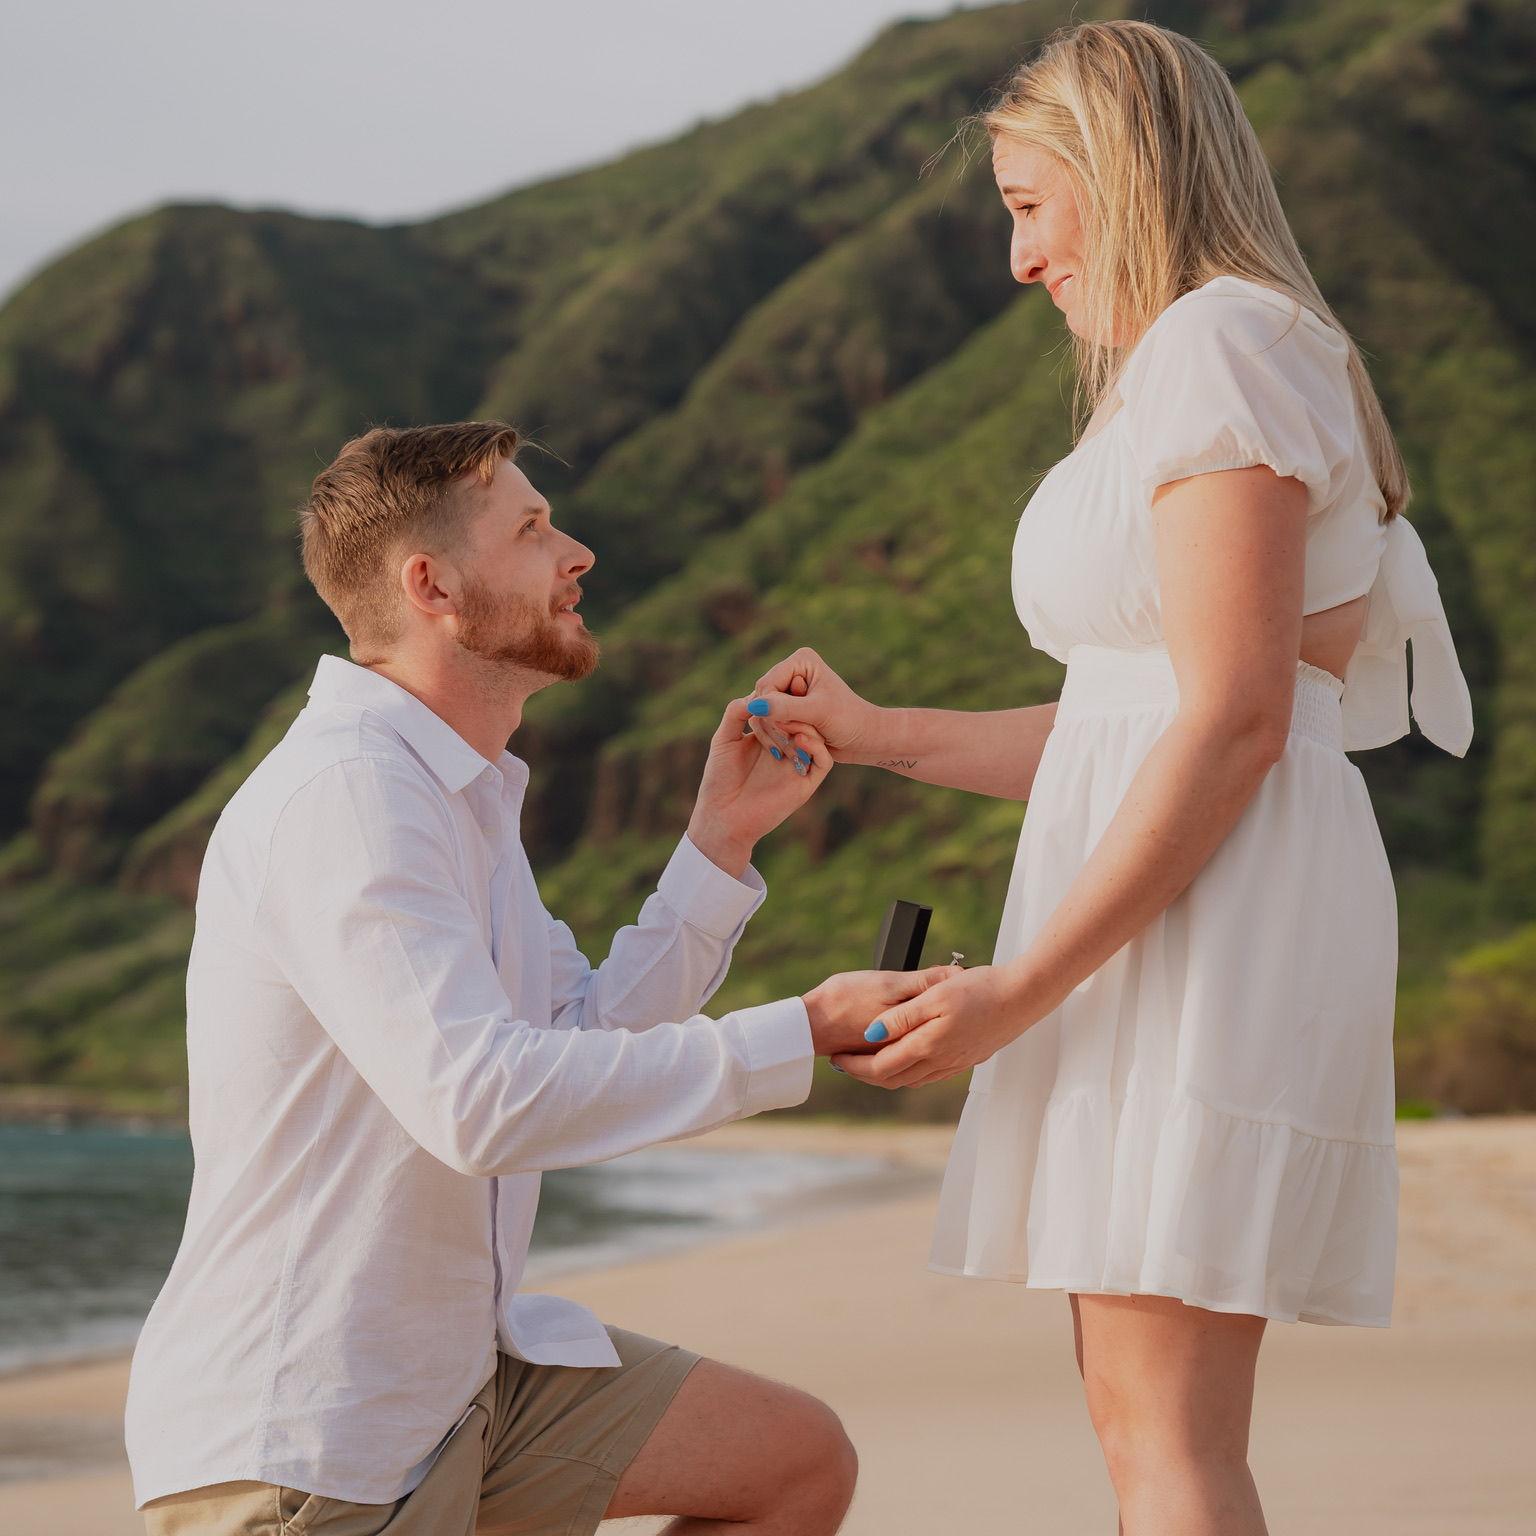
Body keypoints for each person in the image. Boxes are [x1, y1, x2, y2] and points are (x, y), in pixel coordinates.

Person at [742, 19, 1474, 1535]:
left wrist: (1020, 990)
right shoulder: (1209, 361)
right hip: (1187, 906)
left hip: (1209, 925)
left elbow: (1234, 723)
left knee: (1166, 1435)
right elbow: (1135, 720)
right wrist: (879, 733)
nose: (1019, 260)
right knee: (1146, 1421)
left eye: (1029, 206)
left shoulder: (1224, 345)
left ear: (1124, 176)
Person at [125, 421, 947, 1536]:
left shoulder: (455, 796)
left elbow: (583, 1030)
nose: (578, 554)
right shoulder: (351, 796)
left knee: (791, 1462)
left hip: (458, 1384)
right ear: (433, 587)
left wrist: (719, 844)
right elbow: (481, 1104)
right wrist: (799, 1030)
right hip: (315, 1440)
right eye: (531, 529)